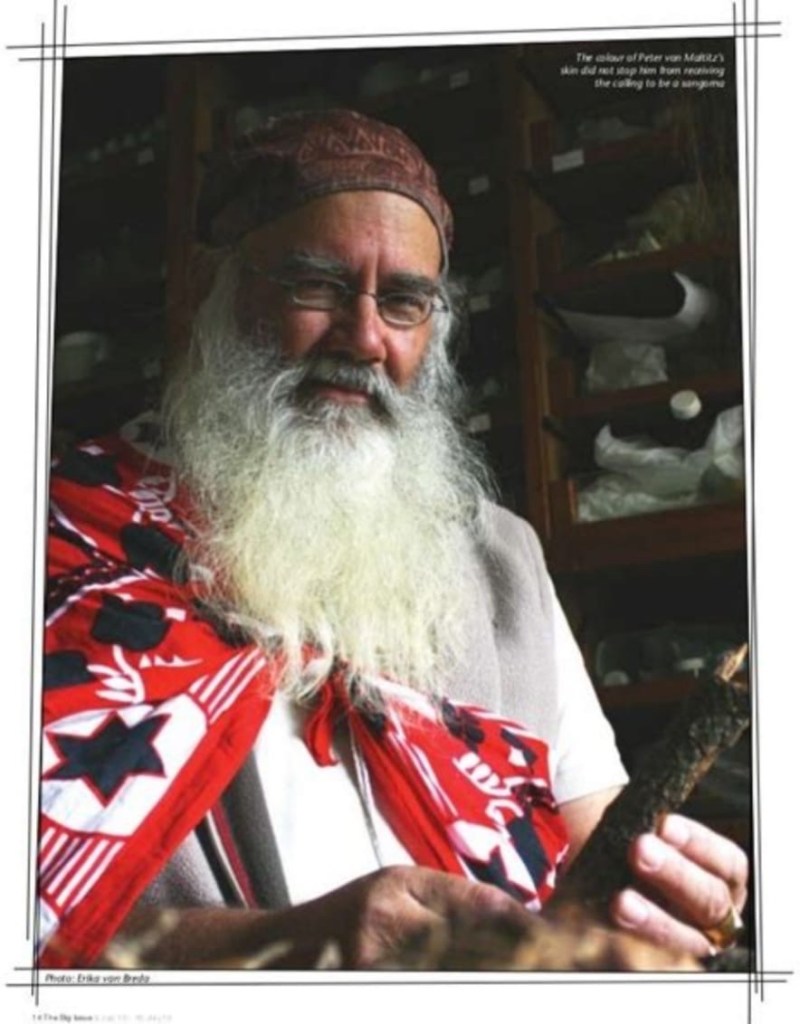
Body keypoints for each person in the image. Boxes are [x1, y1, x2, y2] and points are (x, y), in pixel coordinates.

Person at [39, 109, 747, 970]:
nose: (366, 338)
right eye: (316, 285)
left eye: (404, 302)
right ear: (203, 289)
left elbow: (591, 864)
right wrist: (280, 952)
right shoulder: (53, 538)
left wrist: (648, 908)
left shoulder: (502, 562)